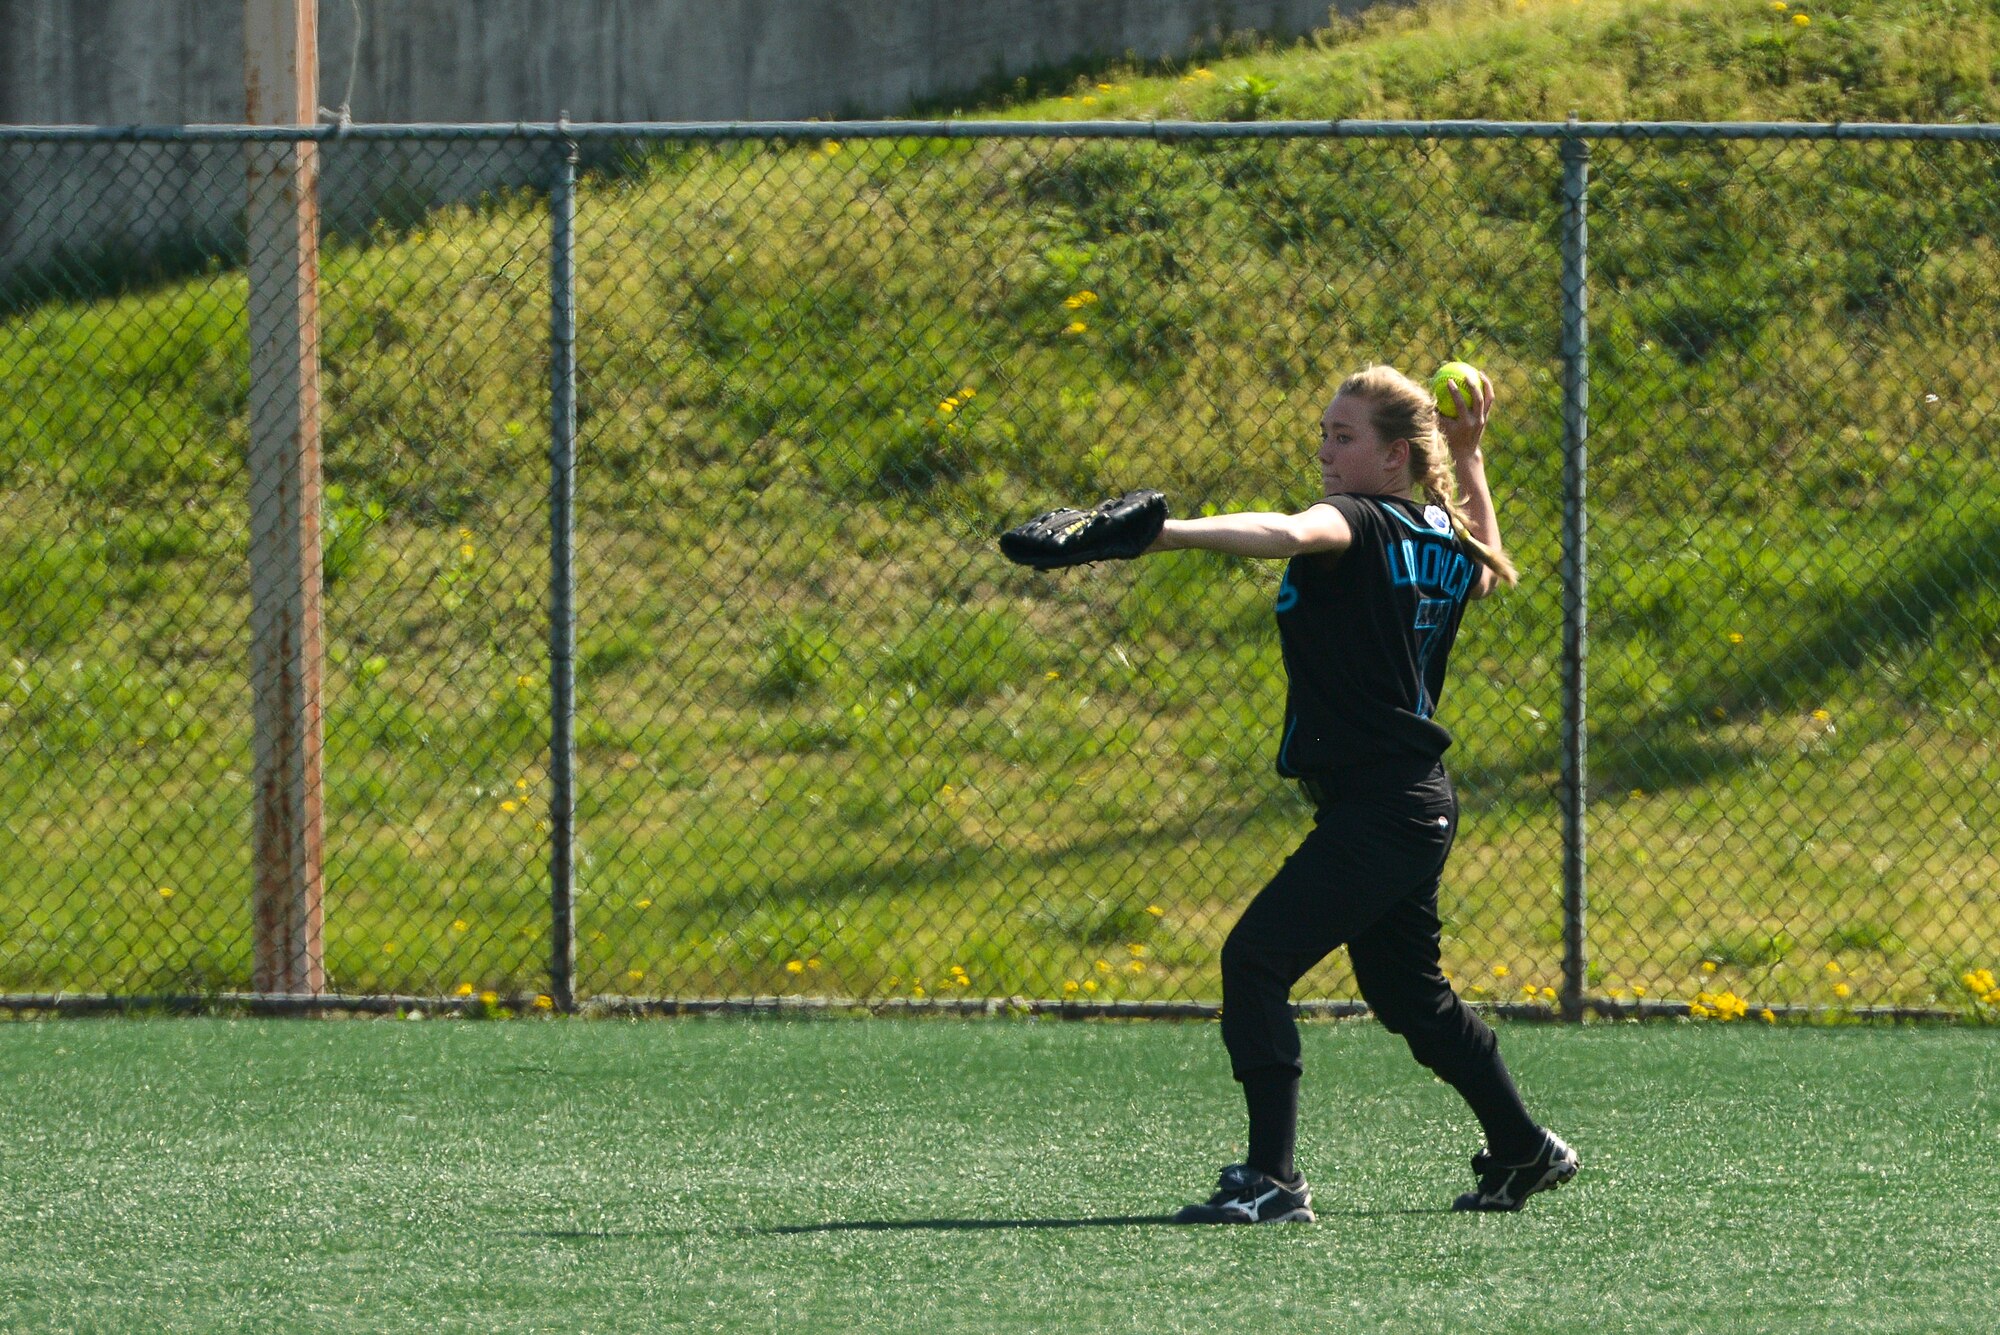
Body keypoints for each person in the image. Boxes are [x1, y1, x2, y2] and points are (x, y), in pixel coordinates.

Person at [1138, 364, 1578, 1223]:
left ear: (1394, 457)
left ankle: (1273, 1179)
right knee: (1411, 996)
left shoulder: (1361, 520)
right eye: (1325, 433)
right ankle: (1523, 1147)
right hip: (1407, 803)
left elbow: (1290, 532)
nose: (1327, 451)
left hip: (1385, 805)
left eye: (1345, 437)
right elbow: (1485, 569)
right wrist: (1471, 456)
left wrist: (1169, 532)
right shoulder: (1439, 529)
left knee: (1255, 958)